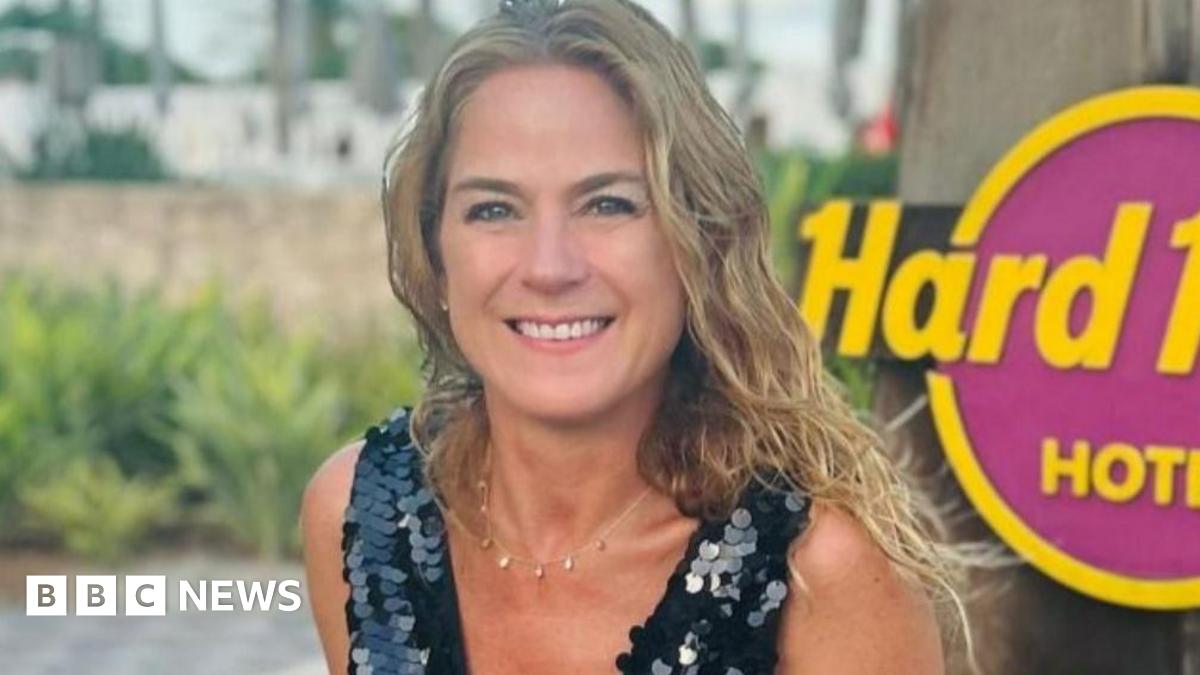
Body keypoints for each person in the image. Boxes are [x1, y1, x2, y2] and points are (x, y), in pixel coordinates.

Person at [301, 1, 964, 673]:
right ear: (436, 256)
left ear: (696, 243)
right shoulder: (363, 518)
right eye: (494, 209)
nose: (550, 267)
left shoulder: (821, 573)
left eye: (608, 203)